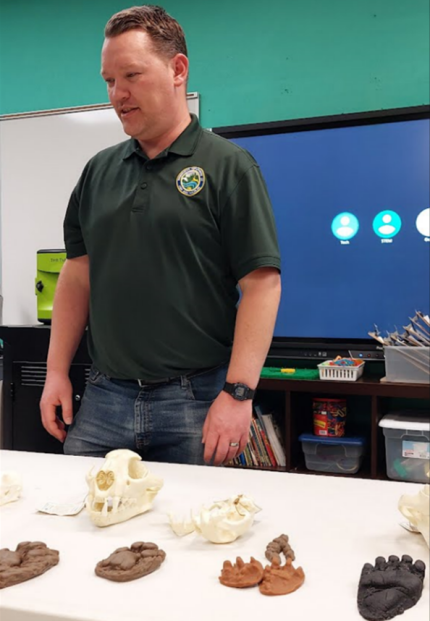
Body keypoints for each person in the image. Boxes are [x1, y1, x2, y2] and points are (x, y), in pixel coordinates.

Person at [40, 5, 281, 467]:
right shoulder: (98, 171)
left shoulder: (229, 166)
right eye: (109, 80)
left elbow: (262, 284)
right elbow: (77, 272)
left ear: (177, 70)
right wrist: (55, 373)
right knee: (76, 521)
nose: (118, 93)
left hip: (195, 400)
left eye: (131, 74)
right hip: (103, 397)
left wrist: (239, 393)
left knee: (190, 532)